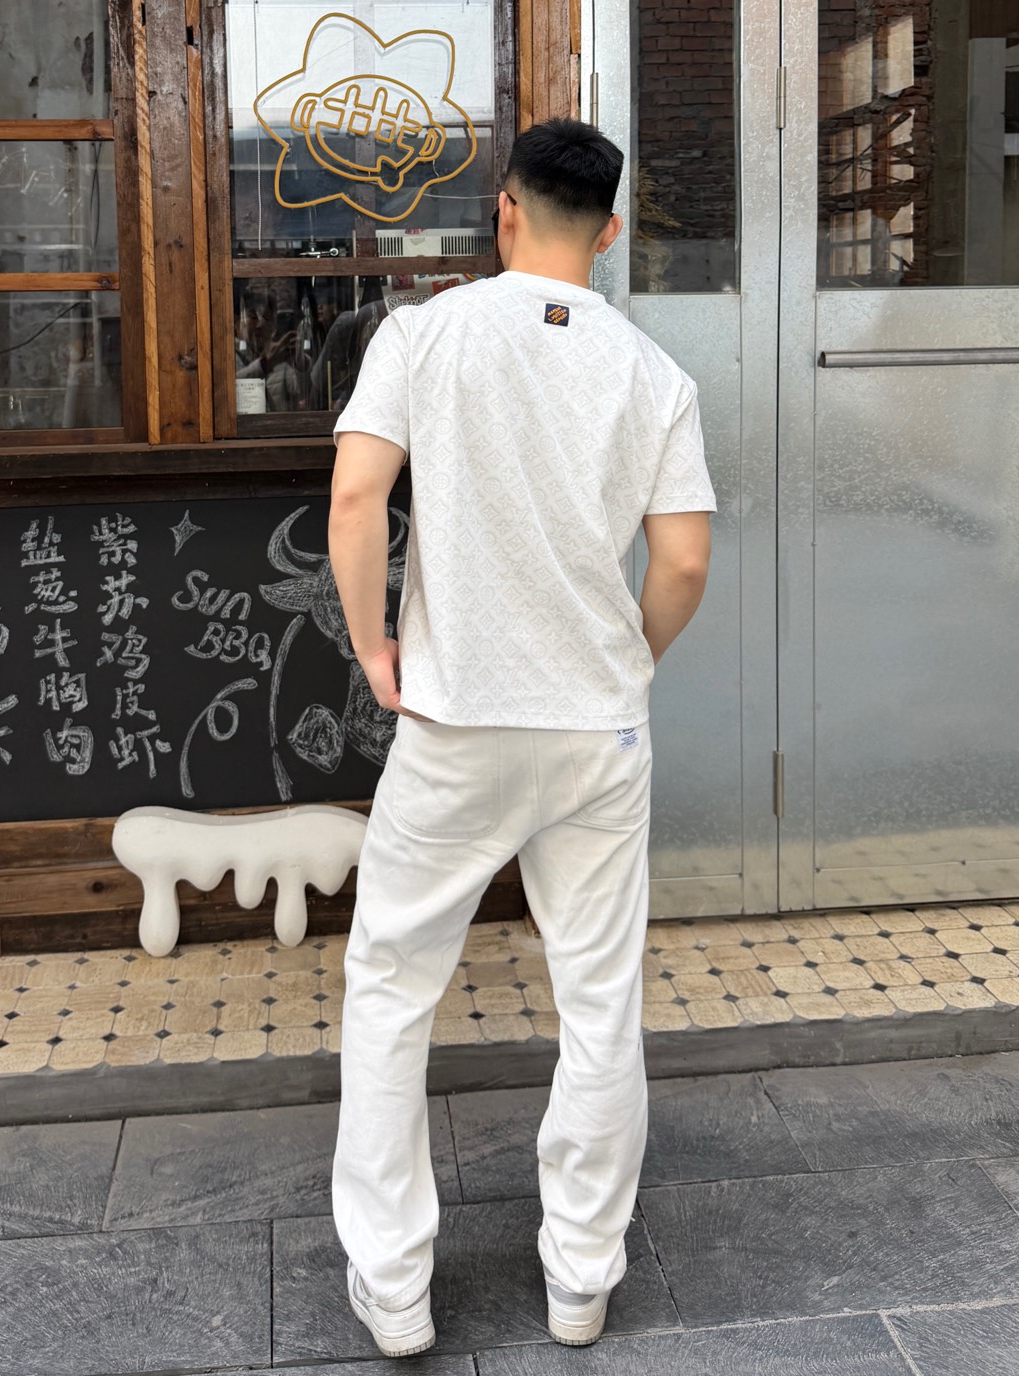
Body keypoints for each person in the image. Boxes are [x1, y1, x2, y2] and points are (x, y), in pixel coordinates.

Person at [327, 117, 715, 1355]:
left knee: (394, 987)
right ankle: (580, 1280)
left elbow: (356, 494)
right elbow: (683, 561)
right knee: (599, 997)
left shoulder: (422, 333)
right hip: (595, 730)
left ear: (505, 210)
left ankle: (394, 1286)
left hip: (455, 720)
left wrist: (374, 647)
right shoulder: (653, 375)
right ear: (609, 232)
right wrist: (627, 663)